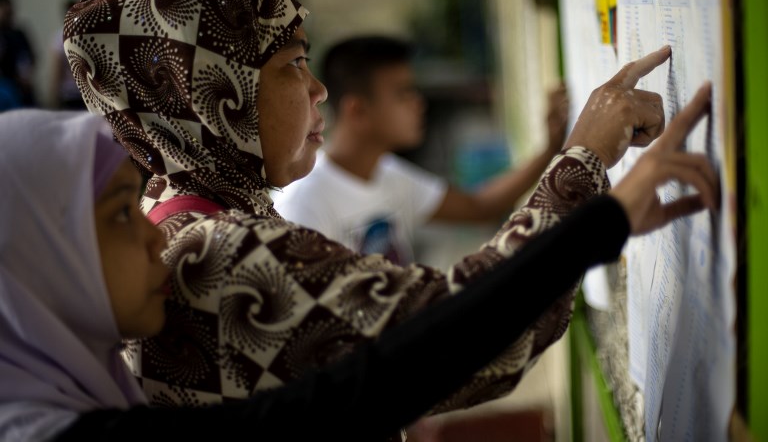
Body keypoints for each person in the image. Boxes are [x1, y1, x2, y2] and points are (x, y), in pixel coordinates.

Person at [63, 0, 674, 439]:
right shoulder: (220, 256)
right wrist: (583, 162)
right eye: (294, 63)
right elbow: (464, 340)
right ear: (217, 95)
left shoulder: (168, 212)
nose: (319, 89)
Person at [0, 92, 716, 440]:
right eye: (120, 216)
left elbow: (371, 381)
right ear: (34, 256)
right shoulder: (215, 252)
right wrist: (595, 199)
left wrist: (595, 209)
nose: (155, 240)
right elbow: (383, 375)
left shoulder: (67, 392)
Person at [273, 35, 568, 264]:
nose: (419, 103)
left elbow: (480, 207)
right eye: (404, 93)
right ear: (358, 110)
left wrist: (551, 147)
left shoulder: (387, 173)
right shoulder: (303, 204)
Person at [0, 0, 36, 110]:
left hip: (24, 87)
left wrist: (26, 75)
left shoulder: (19, 33)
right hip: (6, 87)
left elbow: (31, 56)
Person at [49, 0, 85, 110]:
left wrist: (54, 97)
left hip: (71, 94)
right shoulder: (89, 36)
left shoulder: (60, 37)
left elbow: (57, 71)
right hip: (82, 94)